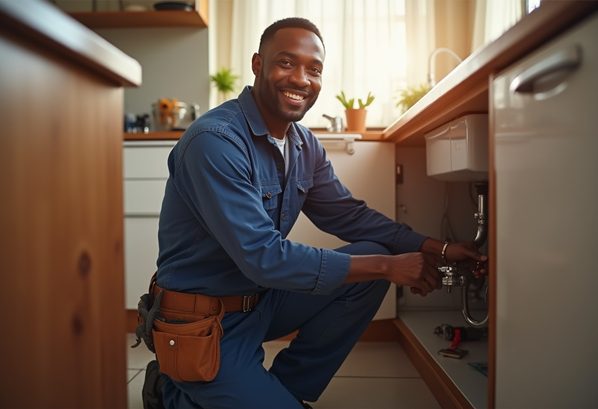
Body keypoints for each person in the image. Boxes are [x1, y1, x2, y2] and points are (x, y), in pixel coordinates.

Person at [145, 17, 486, 409]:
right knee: (375, 264)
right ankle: (171, 392)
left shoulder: (303, 143)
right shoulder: (215, 142)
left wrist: (438, 249)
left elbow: (349, 216)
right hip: (203, 322)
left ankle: (288, 391)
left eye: (314, 69)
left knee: (369, 256)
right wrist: (388, 267)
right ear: (258, 65)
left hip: (260, 302)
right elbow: (264, 258)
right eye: (286, 63)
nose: (301, 79)